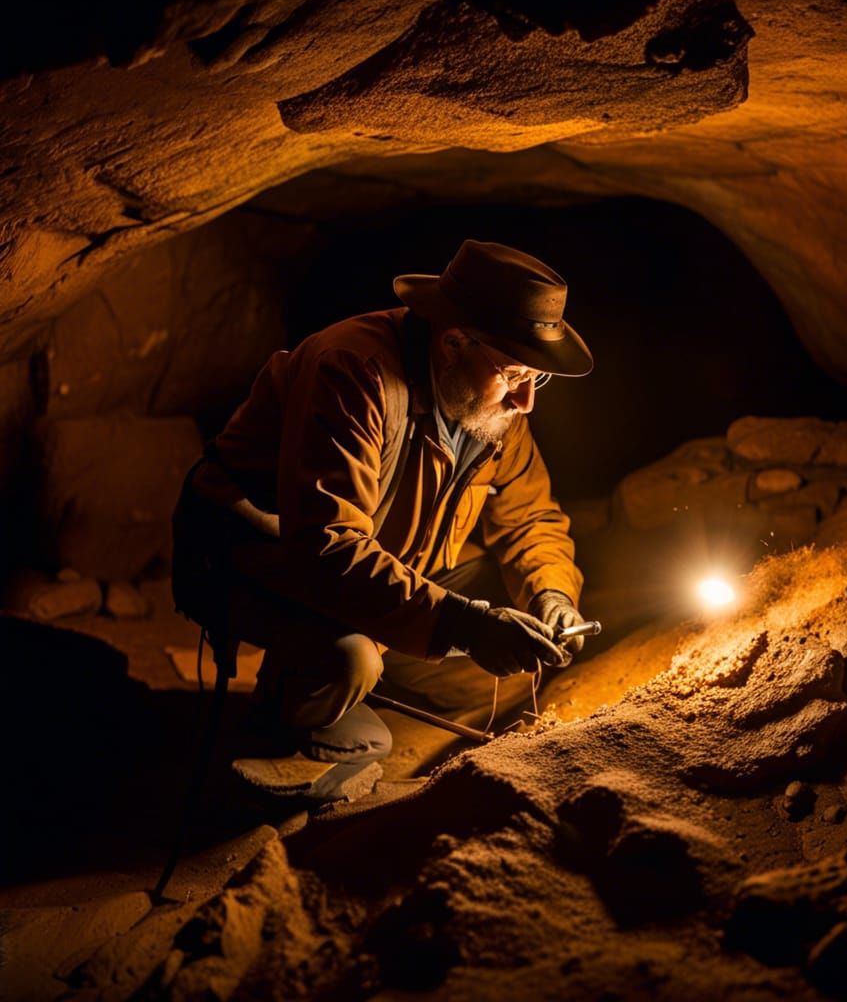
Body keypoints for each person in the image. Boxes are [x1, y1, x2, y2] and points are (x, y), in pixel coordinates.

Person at [172, 239, 594, 799]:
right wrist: (464, 625)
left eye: (535, 378)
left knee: (519, 631)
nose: (525, 400)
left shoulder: (489, 407)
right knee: (350, 659)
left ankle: (369, 673)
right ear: (453, 342)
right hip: (252, 563)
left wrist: (550, 595)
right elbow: (327, 547)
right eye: (515, 373)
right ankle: (285, 727)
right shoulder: (354, 372)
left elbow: (531, 517)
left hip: (383, 572)